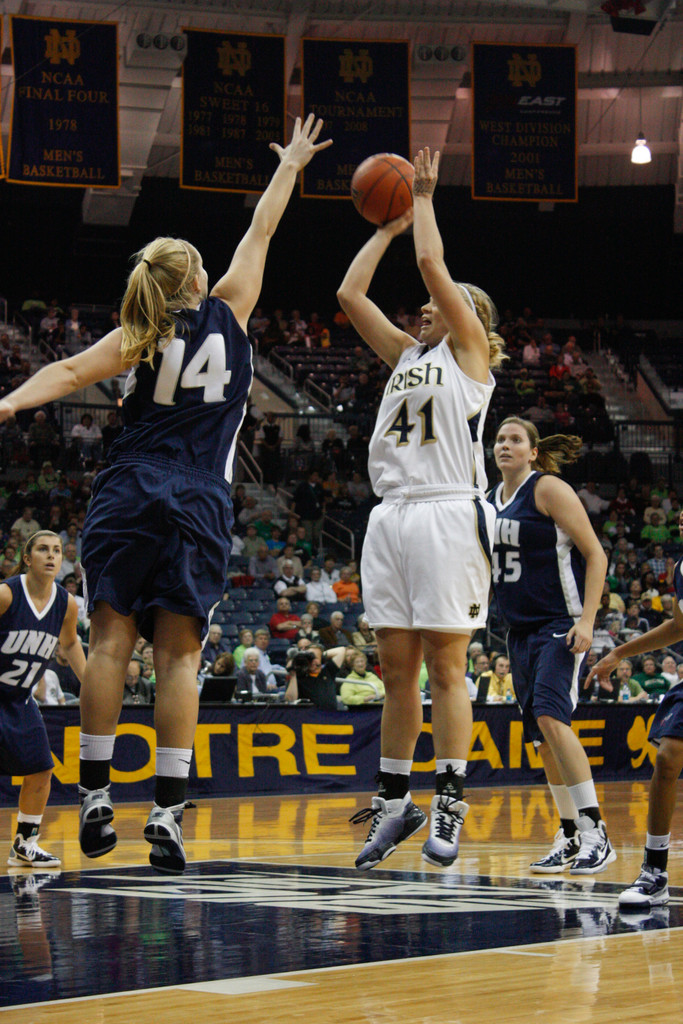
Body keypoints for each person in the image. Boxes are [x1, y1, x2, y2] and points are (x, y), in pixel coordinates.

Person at [0, 115, 330, 876]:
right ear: (198, 280)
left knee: (110, 639)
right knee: (180, 657)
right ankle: (169, 813)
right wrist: (289, 165)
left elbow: (67, 373)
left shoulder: (141, 330)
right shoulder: (231, 310)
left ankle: (94, 795)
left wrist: (12, 402)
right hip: (199, 493)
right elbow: (263, 228)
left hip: (130, 486)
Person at [337, 147, 504, 870]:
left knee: (445, 666)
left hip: (446, 512)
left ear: (472, 317)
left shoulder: (470, 355)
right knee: (395, 671)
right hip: (391, 515)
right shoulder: (407, 354)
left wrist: (425, 200)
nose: (427, 304)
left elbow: (434, 266)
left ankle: (451, 799)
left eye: (443, 302)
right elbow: (350, 295)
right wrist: (385, 228)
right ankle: (395, 801)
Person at [489, 417, 615, 874]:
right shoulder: (488, 500)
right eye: (500, 439)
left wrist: (587, 620)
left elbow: (595, 553)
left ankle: (596, 832)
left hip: (560, 624)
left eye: (515, 439)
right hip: (519, 631)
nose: (505, 445)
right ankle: (569, 833)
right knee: (541, 738)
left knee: (551, 716)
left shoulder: (547, 489)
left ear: (533, 452)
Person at [587, 516, 683, 909]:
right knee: (667, 757)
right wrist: (619, 653)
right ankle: (655, 872)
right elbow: (678, 626)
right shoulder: (681, 568)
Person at [2, 531, 86, 867]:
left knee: (41, 769)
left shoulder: (67, 603)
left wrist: (91, 684)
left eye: (56, 550)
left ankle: (25, 843)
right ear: (27, 558)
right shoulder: (6, 594)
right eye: (42, 549)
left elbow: (71, 643)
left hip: (20, 699)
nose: (51, 555)